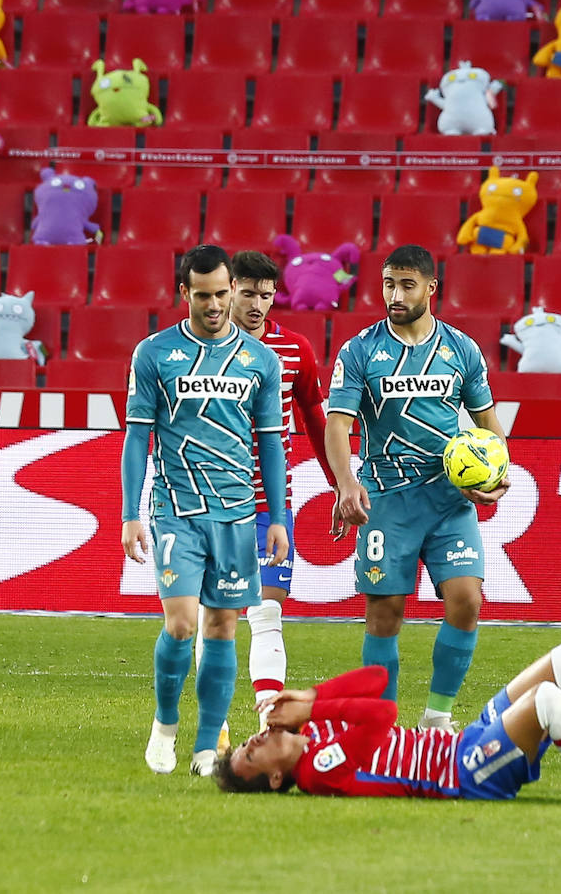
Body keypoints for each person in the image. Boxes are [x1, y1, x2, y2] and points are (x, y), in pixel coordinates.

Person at [323, 244, 510, 731]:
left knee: (467, 599)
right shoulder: (360, 350)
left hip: (450, 500)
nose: (395, 294)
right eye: (388, 284)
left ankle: (437, 718)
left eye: (407, 285)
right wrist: (346, 485)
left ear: (431, 288)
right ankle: (381, 725)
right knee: (385, 613)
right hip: (385, 500)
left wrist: (496, 471)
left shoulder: (461, 349)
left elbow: (487, 422)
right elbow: (338, 425)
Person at [122, 244, 290, 777]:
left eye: (222, 293)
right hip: (176, 510)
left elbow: (270, 445)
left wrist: (280, 517)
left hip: (238, 515)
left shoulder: (261, 361)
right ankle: (164, 726)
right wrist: (130, 513)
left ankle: (203, 749)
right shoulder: (153, 353)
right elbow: (137, 439)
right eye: (203, 295)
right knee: (180, 624)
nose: (215, 304)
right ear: (184, 294)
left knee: (221, 627)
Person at [213, 641, 561, 804]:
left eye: (248, 742)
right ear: (277, 778)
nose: (256, 738)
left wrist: (311, 696)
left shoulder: (309, 736)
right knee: (549, 702)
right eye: (252, 752)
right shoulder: (319, 770)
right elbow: (383, 712)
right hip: (464, 772)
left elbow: (376, 678)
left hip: (464, 743)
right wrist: (316, 708)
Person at [195, 250, 337, 747]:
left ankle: (268, 724)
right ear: (227, 289)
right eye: (247, 292)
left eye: (265, 294)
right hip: (208, 504)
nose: (257, 303)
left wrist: (340, 484)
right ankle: (216, 725)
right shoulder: (196, 347)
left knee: (267, 612)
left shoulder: (295, 350)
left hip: (268, 508)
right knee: (218, 616)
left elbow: (317, 423)